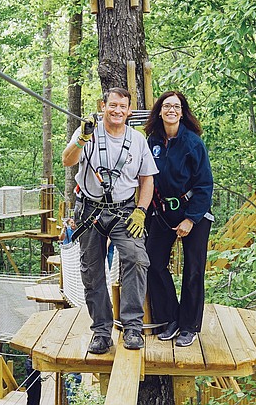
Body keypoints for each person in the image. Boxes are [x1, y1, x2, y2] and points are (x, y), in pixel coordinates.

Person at [62, 87, 158, 353]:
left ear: (128, 111)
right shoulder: (88, 132)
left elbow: (147, 178)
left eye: (122, 107)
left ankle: (132, 328)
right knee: (92, 270)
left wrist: (141, 209)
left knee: (136, 259)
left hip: (124, 210)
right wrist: (82, 139)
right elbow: (67, 160)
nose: (117, 111)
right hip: (89, 210)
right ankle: (102, 331)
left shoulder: (137, 140)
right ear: (103, 105)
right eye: (112, 105)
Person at [144, 90, 214, 348]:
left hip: (193, 210)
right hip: (162, 212)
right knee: (152, 262)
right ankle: (170, 318)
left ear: (182, 112)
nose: (171, 110)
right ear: (160, 111)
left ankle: (189, 326)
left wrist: (191, 220)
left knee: (194, 269)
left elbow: (205, 184)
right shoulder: (152, 142)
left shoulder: (193, 143)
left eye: (176, 106)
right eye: (166, 106)